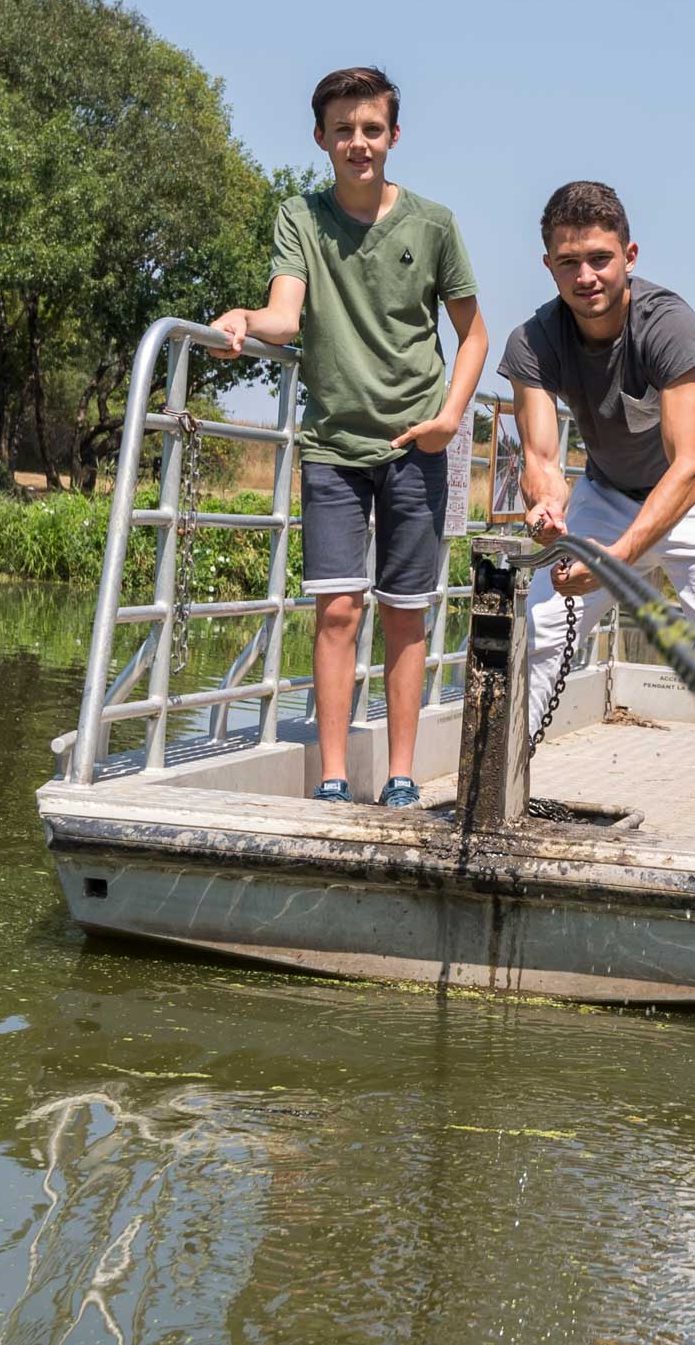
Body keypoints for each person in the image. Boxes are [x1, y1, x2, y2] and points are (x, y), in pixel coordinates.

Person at [209, 66, 488, 809]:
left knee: (404, 612)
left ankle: (399, 774)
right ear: (320, 139)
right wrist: (240, 318)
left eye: (371, 129)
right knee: (335, 610)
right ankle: (332, 775)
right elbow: (284, 317)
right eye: (343, 131)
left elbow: (473, 337)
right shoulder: (299, 217)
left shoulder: (433, 224)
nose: (357, 143)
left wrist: (450, 418)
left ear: (392, 136)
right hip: (333, 443)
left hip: (415, 444)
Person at [503, 181, 695, 842]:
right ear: (548, 266)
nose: (585, 276)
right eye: (568, 262)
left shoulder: (669, 324)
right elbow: (540, 456)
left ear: (628, 254)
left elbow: (687, 465)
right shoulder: (533, 339)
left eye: (599, 258)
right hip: (606, 492)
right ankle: (496, 801)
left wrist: (614, 562)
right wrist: (546, 510)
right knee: (535, 631)